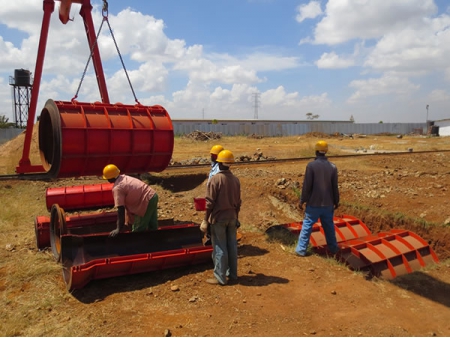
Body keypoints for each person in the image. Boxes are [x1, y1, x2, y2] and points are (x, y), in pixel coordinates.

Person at [200, 150, 241, 285]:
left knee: (219, 247)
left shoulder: (215, 179)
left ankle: (220, 277)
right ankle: (233, 274)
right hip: (232, 217)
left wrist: (205, 220)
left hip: (219, 219)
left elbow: (209, 203)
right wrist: (237, 218)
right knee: (232, 246)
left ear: (218, 162)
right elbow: (238, 203)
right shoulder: (235, 180)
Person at [295, 140, 340, 257]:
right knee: (329, 227)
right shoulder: (333, 167)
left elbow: (307, 186)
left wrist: (302, 200)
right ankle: (333, 249)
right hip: (328, 203)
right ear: (326, 152)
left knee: (307, 226)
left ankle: (301, 250)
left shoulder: (311, 166)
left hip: (313, 204)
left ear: (316, 151)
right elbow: (335, 186)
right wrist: (336, 201)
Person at [102, 164, 159, 237]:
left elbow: (120, 209)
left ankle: (138, 246)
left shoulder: (117, 188)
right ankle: (156, 242)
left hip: (145, 201)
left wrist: (118, 228)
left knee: (138, 229)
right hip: (153, 196)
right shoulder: (124, 177)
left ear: (109, 178)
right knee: (152, 225)